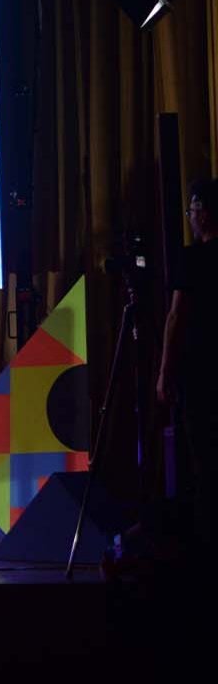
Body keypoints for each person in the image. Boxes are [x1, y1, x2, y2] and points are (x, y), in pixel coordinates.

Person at [158, 178, 218, 553]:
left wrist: (164, 372)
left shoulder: (192, 258)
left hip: (198, 374)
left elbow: (176, 317)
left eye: (192, 211)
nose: (190, 218)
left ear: (205, 213)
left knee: (202, 465)